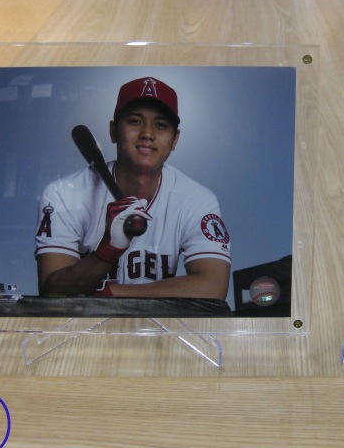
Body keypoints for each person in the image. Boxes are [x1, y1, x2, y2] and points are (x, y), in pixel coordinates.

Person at [34, 76, 231, 300]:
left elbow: (213, 287)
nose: (147, 134)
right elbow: (52, 288)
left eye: (161, 125)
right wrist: (106, 253)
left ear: (175, 140)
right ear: (113, 131)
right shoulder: (64, 195)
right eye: (135, 121)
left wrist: (112, 293)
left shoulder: (196, 200)